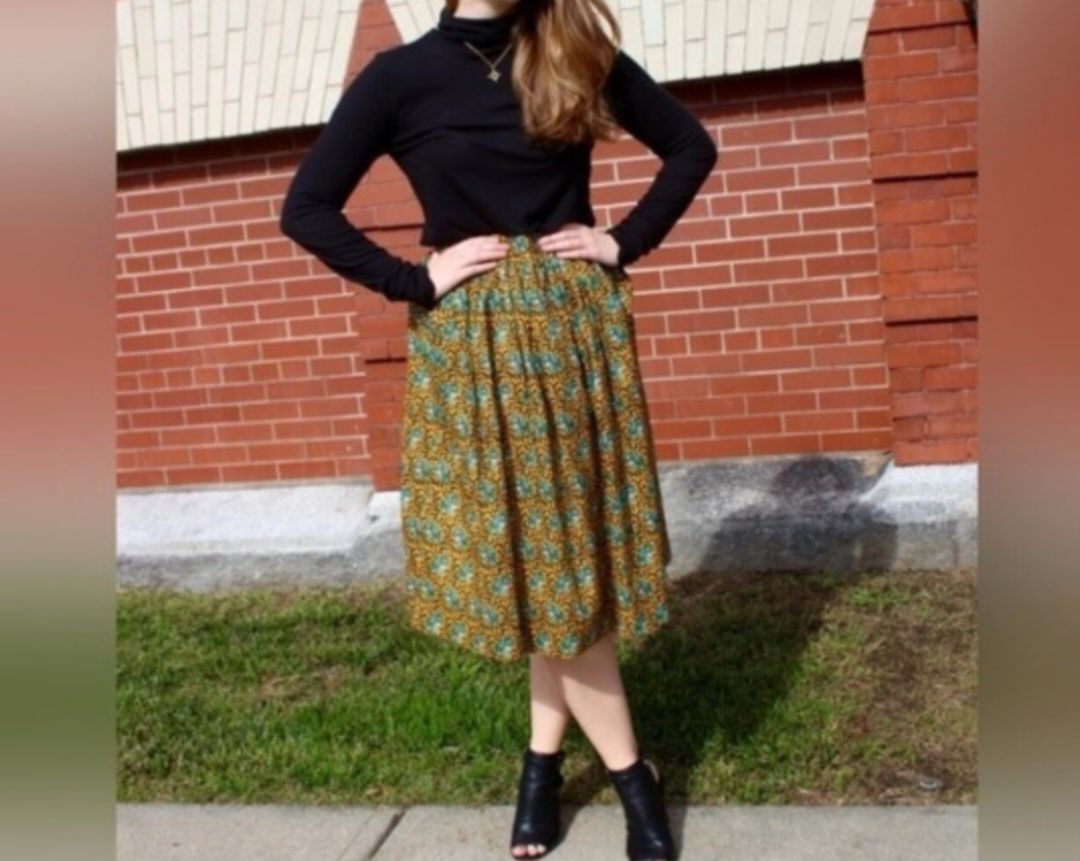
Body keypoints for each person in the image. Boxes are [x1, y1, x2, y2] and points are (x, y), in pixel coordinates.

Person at [280, 1, 717, 859]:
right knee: (538, 559)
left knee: (560, 558)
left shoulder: (571, 45)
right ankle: (621, 773)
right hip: (473, 343)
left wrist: (624, 241)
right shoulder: (401, 77)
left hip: (571, 327)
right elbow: (307, 208)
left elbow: (690, 147)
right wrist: (413, 279)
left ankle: (557, 771)